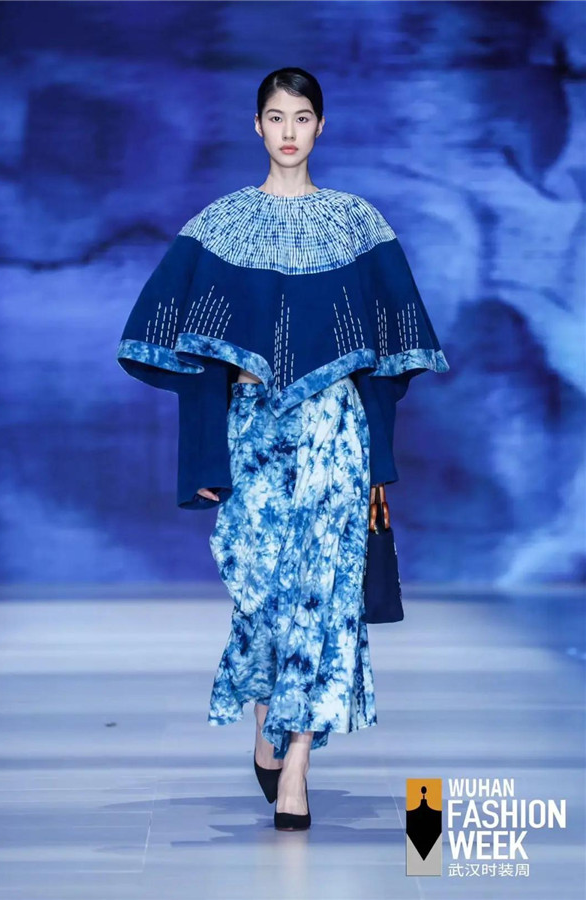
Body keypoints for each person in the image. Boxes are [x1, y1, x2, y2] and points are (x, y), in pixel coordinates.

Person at [116, 67, 450, 831]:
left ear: (321, 127)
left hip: (334, 432)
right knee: (260, 591)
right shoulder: (222, 224)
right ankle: (270, 722)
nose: (290, 131)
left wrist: (376, 462)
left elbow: (394, 348)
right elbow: (170, 338)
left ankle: (297, 763)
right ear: (257, 126)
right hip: (252, 433)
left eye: (302, 117)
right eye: (276, 116)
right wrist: (205, 454)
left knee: (323, 594)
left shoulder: (357, 224)